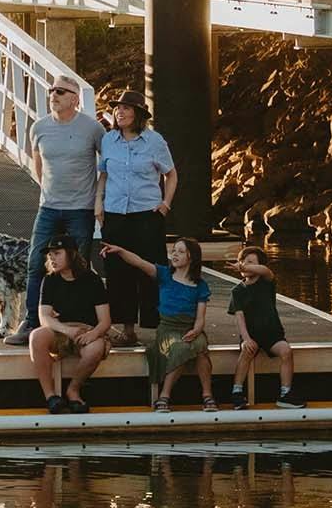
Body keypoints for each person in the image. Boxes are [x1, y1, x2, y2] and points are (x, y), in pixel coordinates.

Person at [20, 77, 104, 338]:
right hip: (49, 207)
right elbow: (37, 161)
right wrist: (45, 189)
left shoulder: (92, 129)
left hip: (81, 207)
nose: (53, 95)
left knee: (79, 265)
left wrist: (98, 198)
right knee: (36, 262)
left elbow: (107, 165)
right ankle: (32, 320)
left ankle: (81, 319)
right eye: (51, 91)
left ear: (75, 99)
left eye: (60, 91)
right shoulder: (39, 127)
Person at [94, 88, 174, 337]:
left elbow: (170, 174)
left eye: (126, 108)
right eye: (117, 108)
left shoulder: (155, 141)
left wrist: (165, 204)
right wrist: (98, 203)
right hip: (115, 213)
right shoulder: (108, 140)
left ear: (139, 114)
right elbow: (104, 175)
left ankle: (155, 326)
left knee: (150, 269)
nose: (120, 112)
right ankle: (127, 329)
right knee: (118, 272)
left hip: (146, 213)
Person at [104, 236, 216, 411]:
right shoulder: (165, 275)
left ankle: (207, 395)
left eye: (180, 251)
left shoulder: (200, 285)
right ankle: (164, 395)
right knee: (181, 348)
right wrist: (120, 251)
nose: (175, 254)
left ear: (191, 257)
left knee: (201, 347)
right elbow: (139, 262)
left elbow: (201, 317)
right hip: (168, 329)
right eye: (174, 251)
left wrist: (196, 330)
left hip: (190, 328)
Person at [29, 236, 123, 414]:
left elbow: (105, 321)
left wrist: (92, 334)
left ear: (71, 255)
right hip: (61, 329)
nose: (52, 259)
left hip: (87, 330)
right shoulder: (49, 280)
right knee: (36, 336)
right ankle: (50, 396)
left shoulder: (92, 280)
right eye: (50, 255)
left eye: (57, 253)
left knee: (96, 348)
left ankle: (73, 390)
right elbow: (44, 317)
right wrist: (67, 330)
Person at [224, 244, 299, 408]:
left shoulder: (267, 281)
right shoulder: (238, 291)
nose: (245, 264)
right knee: (247, 351)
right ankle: (236, 392)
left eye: (250, 262)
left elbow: (265, 271)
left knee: (286, 351)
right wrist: (246, 339)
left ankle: (285, 394)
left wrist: (244, 266)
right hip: (251, 334)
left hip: (272, 334)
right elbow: (239, 317)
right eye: (242, 261)